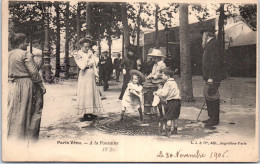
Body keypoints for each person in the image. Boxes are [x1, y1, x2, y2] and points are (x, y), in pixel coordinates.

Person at [8, 33, 46, 141]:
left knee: (15, 110)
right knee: (31, 110)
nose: (27, 44)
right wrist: (41, 86)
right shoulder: (25, 54)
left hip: (12, 85)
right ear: (20, 43)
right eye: (25, 42)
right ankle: (29, 138)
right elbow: (34, 72)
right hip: (26, 85)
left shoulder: (8, 54)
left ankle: (14, 137)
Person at [201, 28, 225, 128]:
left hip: (213, 77)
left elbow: (214, 62)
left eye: (203, 35)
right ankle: (212, 117)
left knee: (212, 97)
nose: (202, 38)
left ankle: (214, 119)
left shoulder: (213, 44)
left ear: (207, 35)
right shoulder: (210, 44)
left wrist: (211, 77)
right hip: (211, 77)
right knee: (209, 96)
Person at [73, 36, 103, 118]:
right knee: (85, 92)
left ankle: (90, 111)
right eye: (85, 46)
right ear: (81, 46)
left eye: (88, 46)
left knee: (91, 92)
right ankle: (85, 113)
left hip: (91, 74)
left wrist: (96, 75)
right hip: (84, 74)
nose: (87, 48)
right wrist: (88, 58)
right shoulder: (77, 54)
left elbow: (94, 65)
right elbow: (82, 66)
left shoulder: (90, 52)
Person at [154, 67, 181, 137]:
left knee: (169, 117)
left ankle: (167, 132)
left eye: (163, 75)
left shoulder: (167, 83)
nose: (162, 76)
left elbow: (164, 93)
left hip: (171, 102)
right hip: (178, 101)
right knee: (175, 116)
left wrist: (158, 93)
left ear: (168, 76)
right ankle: (175, 129)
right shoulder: (174, 82)